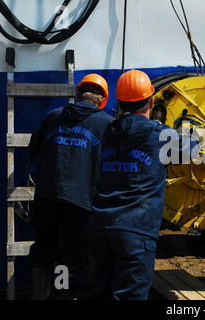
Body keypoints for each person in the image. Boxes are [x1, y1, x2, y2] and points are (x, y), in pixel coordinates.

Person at [83, 69, 196, 300]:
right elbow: (193, 150)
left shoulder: (106, 132)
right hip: (135, 233)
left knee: (96, 294)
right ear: (151, 101)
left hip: (98, 228)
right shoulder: (161, 135)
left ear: (119, 102)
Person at [28, 74, 114, 300]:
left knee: (43, 249)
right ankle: (62, 296)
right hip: (79, 203)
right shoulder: (106, 124)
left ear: (77, 94)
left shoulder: (53, 117)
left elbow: (33, 150)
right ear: (102, 100)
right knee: (69, 258)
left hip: (46, 198)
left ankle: (40, 295)